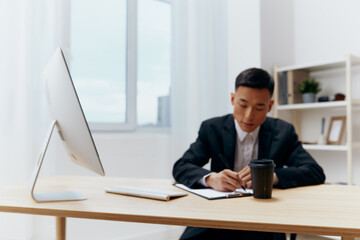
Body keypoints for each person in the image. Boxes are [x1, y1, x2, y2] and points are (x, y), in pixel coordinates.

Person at [172, 67, 326, 240]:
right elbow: (181, 167)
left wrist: (271, 176)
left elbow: (315, 172)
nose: (248, 115)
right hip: (218, 215)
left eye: (259, 107)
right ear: (232, 99)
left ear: (270, 106)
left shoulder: (284, 132)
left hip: (266, 217)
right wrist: (211, 178)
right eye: (243, 105)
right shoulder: (212, 128)